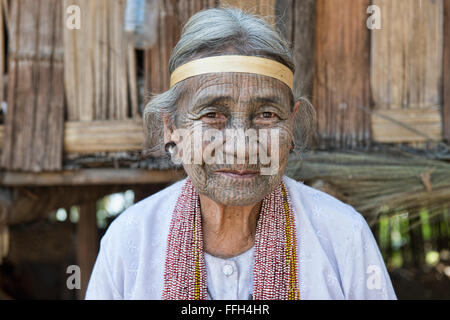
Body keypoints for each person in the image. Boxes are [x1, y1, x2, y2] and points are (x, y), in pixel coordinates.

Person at [85, 7, 397, 300]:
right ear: (172, 129)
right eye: (211, 115)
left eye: (267, 115)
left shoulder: (342, 235)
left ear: (292, 124)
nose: (240, 147)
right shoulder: (130, 240)